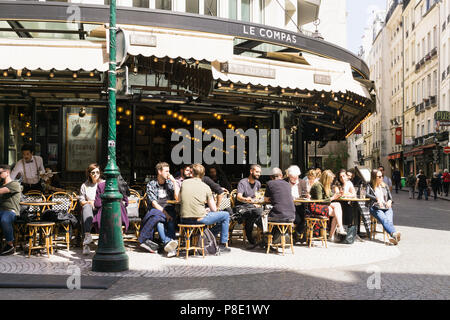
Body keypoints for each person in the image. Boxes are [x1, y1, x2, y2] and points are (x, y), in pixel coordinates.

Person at [179, 163, 231, 253]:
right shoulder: (206, 187)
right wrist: (207, 209)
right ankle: (222, 245)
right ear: (203, 174)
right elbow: (214, 209)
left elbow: (179, 199)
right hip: (199, 219)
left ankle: (201, 237)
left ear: (191, 173)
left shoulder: (184, 183)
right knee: (226, 215)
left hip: (184, 219)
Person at [140, 162, 179, 257]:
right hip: (156, 210)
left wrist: (174, 182)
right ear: (159, 171)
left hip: (169, 208)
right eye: (166, 171)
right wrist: (165, 213)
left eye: (169, 171)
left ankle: (168, 244)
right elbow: (153, 203)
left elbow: (177, 198)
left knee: (168, 221)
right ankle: (168, 244)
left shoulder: (170, 183)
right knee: (159, 221)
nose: (168, 173)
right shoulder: (151, 184)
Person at [93, 173, 130, 251]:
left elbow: (97, 204)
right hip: (120, 218)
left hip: (104, 218)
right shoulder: (120, 185)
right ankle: (118, 244)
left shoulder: (101, 186)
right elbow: (126, 202)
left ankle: (105, 243)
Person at [366, 169, 401, 245]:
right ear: (374, 177)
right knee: (385, 219)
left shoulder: (385, 186)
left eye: (382, 176)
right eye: (379, 176)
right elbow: (367, 194)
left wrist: (390, 201)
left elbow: (390, 197)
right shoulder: (370, 185)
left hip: (386, 207)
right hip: (375, 207)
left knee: (389, 221)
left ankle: (393, 236)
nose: (381, 178)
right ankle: (394, 234)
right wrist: (377, 199)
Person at [309, 170, 347, 240]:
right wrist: (332, 198)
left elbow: (330, 195)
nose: (331, 181)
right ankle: (335, 232)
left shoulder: (326, 185)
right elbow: (319, 201)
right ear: (327, 179)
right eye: (331, 180)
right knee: (337, 212)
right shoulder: (318, 185)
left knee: (337, 207)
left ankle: (336, 231)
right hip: (315, 206)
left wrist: (339, 195)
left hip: (322, 205)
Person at [264, 167, 296, 245]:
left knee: (261, 218)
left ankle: (269, 238)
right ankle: (281, 235)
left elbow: (266, 199)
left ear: (271, 177)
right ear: (281, 176)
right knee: (276, 215)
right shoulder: (288, 184)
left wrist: (272, 199)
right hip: (292, 216)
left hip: (278, 216)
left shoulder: (269, 183)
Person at [79, 163, 104, 255]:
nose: (95, 174)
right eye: (93, 172)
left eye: (97, 172)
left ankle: (101, 242)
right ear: (90, 174)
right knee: (86, 207)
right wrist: (90, 202)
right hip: (89, 210)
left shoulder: (103, 184)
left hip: (101, 209)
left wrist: (96, 203)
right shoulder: (85, 185)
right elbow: (82, 201)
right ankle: (87, 237)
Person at [235, 164, 263, 245]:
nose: (259, 174)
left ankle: (262, 235)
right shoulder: (243, 182)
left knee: (259, 212)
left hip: (252, 207)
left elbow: (257, 197)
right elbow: (238, 197)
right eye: (257, 172)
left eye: (260, 172)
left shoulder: (258, 183)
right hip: (242, 207)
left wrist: (256, 202)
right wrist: (246, 199)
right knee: (257, 213)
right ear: (251, 171)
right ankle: (266, 235)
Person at [0, 165, 21, 255]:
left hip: (11, 211)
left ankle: (10, 245)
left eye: (0, 173)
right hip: (1, 210)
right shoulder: (1, 185)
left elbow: (1, 191)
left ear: (7, 173)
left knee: (4, 220)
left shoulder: (14, 184)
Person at [285, 165, 307, 237]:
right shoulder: (284, 182)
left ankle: (296, 234)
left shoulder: (302, 182)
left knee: (305, 218)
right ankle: (291, 234)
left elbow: (305, 193)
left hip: (300, 205)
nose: (294, 180)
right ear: (289, 176)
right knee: (296, 220)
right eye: (292, 178)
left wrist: (307, 195)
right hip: (288, 206)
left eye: (296, 177)